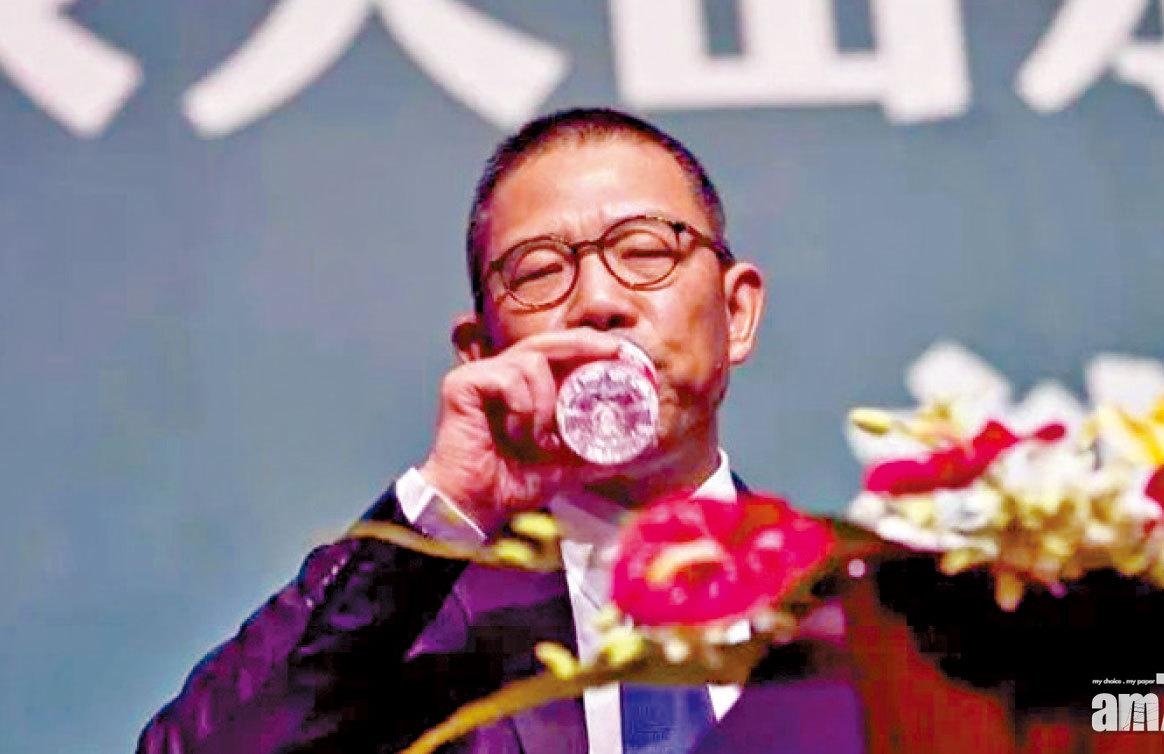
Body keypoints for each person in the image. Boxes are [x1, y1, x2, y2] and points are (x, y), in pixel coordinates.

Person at [137, 108, 865, 754]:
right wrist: (444, 506)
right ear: (480, 352)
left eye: (646, 252)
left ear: (736, 314)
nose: (599, 302)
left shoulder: (865, 617)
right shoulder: (409, 622)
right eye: (540, 271)